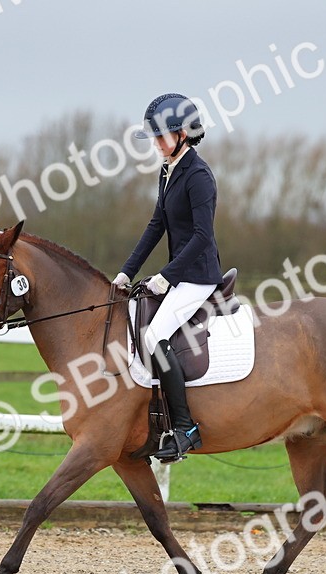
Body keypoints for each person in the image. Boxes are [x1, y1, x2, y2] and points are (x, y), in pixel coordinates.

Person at [113, 93, 225, 463]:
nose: (158, 144)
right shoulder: (168, 170)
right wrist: (127, 271)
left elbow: (202, 236)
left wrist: (166, 276)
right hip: (180, 274)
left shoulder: (198, 176)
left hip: (198, 276)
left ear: (184, 133)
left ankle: (184, 428)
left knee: (154, 335)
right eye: (156, 137)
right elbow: (156, 225)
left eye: (163, 136)